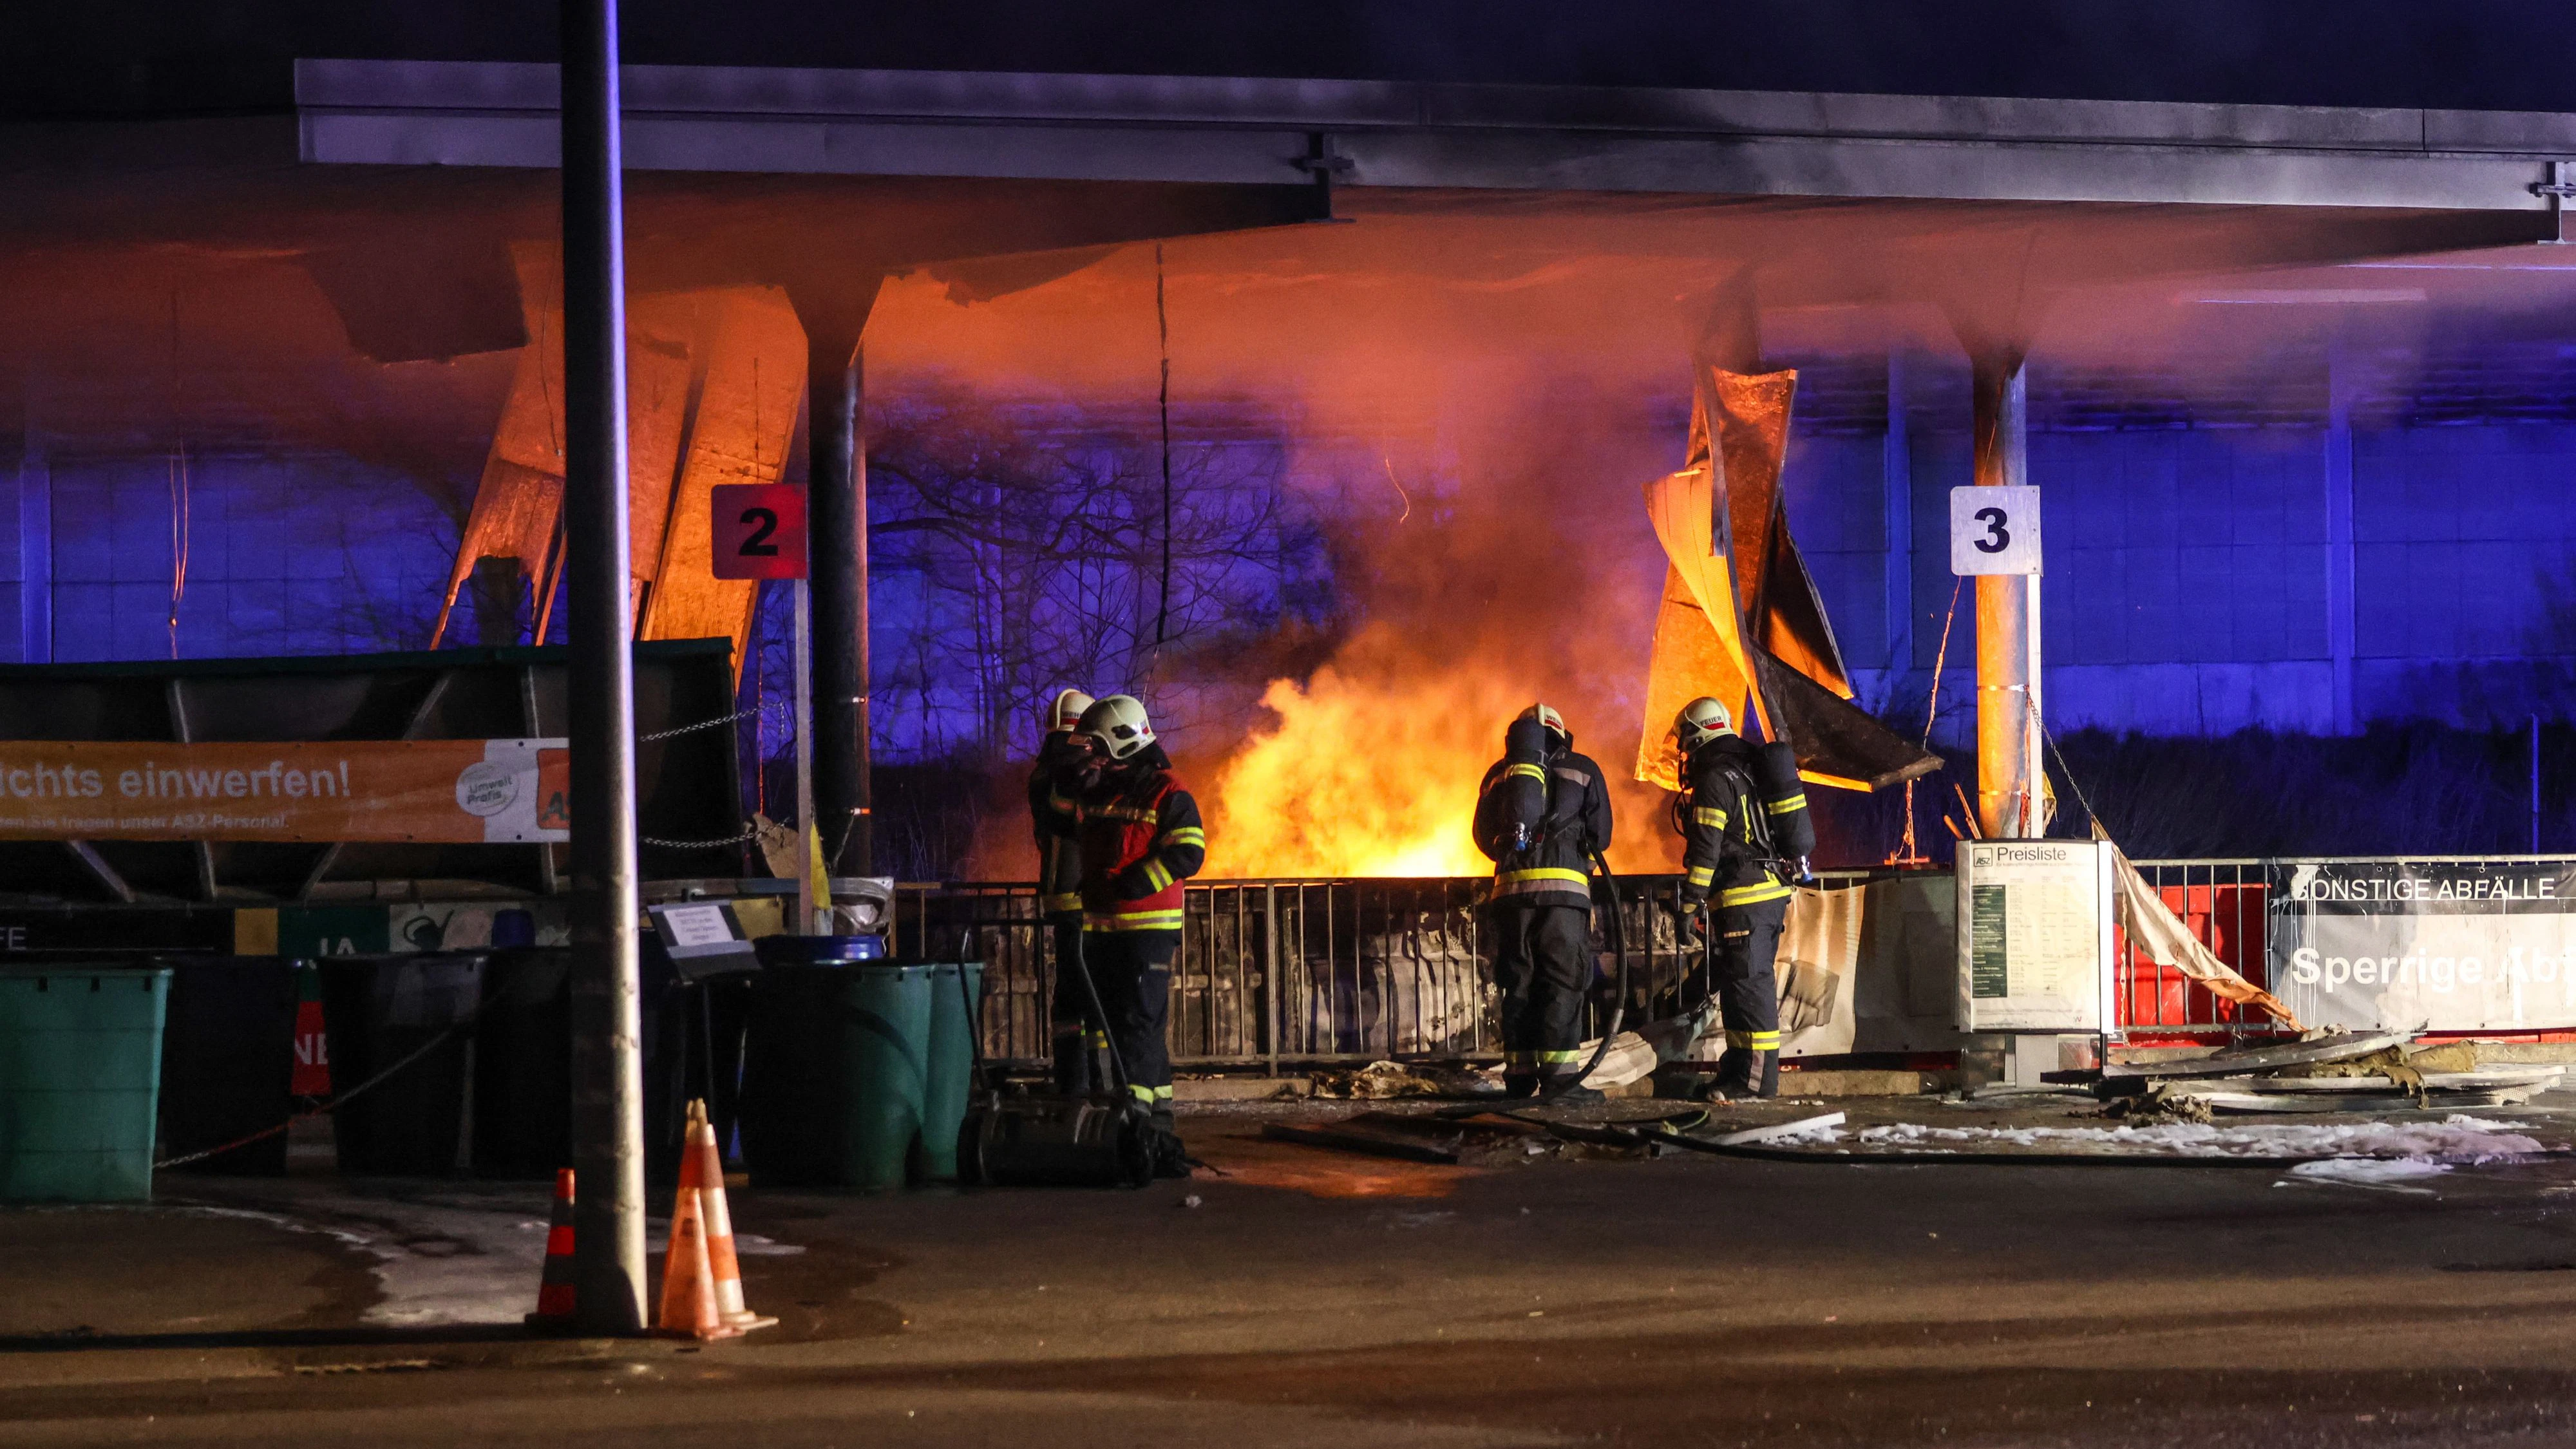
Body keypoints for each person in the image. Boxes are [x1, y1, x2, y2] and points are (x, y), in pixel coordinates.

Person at [1052, 694, 1204, 1175]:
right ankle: (1153, 1130)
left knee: (1137, 1028)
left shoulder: (1169, 792)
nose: (1092, 754)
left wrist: (1134, 884)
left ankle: (1138, 1126)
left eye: (1097, 746)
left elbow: (1189, 853)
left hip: (1146, 933)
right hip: (1102, 930)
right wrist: (1070, 780)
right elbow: (1058, 819)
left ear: (1122, 742)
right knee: (1121, 1028)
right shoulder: (1102, 788)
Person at [1471, 703, 1614, 1099]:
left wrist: (1515, 858)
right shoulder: (1583, 769)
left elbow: (1482, 836)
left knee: (1517, 984)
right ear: (1561, 733)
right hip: (1563, 899)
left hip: (1511, 898)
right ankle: (1560, 1082)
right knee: (1561, 984)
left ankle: (1519, 1078)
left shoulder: (1499, 774)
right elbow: (1601, 836)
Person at [1670, 696, 1795, 1099]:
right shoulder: (1747, 768)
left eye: (1686, 742)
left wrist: (1688, 905)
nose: (1685, 753)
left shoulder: (1714, 779)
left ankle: (1757, 1083)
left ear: (1698, 736)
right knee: (1740, 992)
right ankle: (1737, 1074)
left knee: (1750, 991)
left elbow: (1705, 853)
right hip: (1762, 893)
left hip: (1745, 899)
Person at [1028, 688, 1099, 1094]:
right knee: (1086, 992)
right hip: (1079, 898)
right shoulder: (1065, 776)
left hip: (1068, 896)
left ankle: (1078, 1082)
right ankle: (1087, 1084)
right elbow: (1080, 820)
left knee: (1076, 992)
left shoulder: (1045, 773)